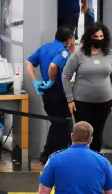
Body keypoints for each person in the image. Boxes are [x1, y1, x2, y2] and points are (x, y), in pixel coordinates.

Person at [62, 22, 112, 154]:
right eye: (96, 37)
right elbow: (65, 75)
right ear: (89, 37)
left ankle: (95, 159)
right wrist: (69, 99)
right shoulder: (79, 53)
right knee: (83, 134)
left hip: (104, 102)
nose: (99, 39)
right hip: (81, 103)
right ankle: (81, 160)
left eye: (101, 36)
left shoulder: (110, 54)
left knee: (98, 132)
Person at [26, 26, 75, 163]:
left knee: (58, 123)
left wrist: (34, 80)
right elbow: (54, 66)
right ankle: (49, 154)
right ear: (69, 40)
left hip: (47, 93)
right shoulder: (63, 51)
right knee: (62, 123)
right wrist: (52, 80)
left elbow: (28, 62)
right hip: (58, 92)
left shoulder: (45, 47)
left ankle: (55, 154)